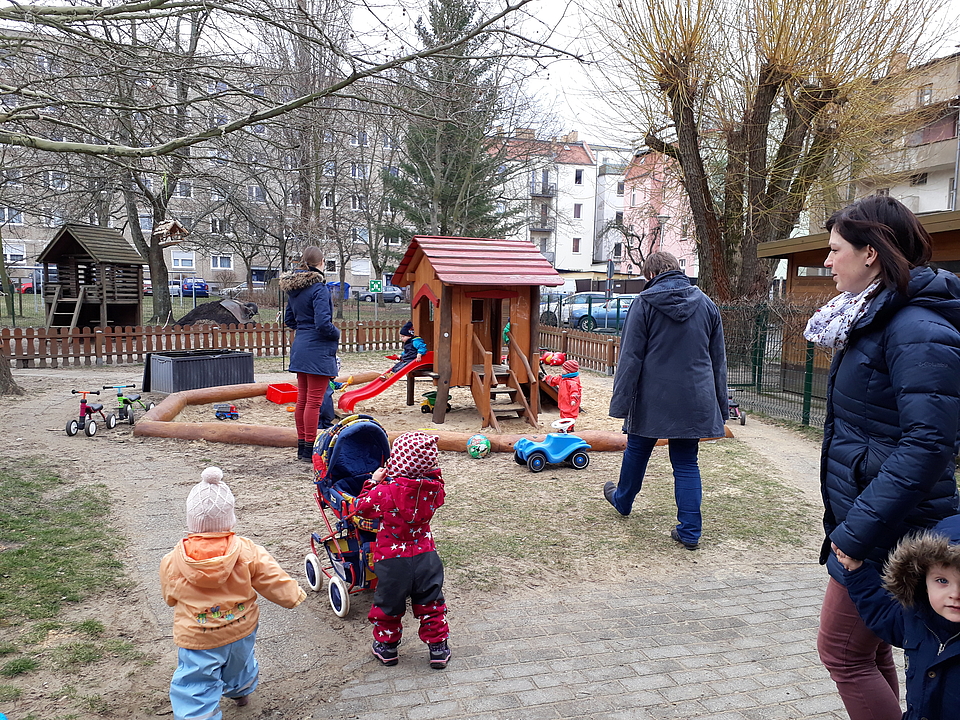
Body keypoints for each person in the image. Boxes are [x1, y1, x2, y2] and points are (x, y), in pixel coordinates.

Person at [804, 195, 960, 720]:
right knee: (867, 651)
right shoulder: (871, 316)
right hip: (870, 515)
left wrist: (855, 534)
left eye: (835, 249)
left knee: (842, 653)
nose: (827, 261)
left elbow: (928, 444)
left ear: (870, 253)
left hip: (889, 524)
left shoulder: (915, 327)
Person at [603, 251, 727, 551]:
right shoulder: (707, 304)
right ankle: (690, 531)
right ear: (675, 270)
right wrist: (721, 406)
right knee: (686, 462)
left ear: (650, 275)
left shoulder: (643, 303)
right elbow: (718, 360)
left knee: (637, 450)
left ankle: (623, 501)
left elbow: (630, 358)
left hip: (652, 397)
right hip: (694, 398)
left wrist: (620, 405)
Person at [160, 467, 306, 719]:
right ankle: (240, 691)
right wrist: (293, 595)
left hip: (198, 634)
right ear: (229, 518)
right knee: (240, 663)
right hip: (241, 626)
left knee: (197, 681)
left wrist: (174, 599)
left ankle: (197, 715)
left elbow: (170, 595)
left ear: (191, 520)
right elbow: (272, 577)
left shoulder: (173, 559)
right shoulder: (247, 550)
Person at [835, 514, 960, 720]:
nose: (955, 594)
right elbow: (883, 612)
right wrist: (856, 570)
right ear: (922, 580)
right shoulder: (918, 616)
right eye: (942, 580)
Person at [352, 431, 450, 669]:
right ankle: (438, 648)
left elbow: (360, 508)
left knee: (389, 604)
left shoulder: (385, 492)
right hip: (426, 557)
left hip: (392, 559)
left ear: (398, 459)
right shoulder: (433, 488)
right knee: (431, 603)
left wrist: (373, 482)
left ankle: (387, 647)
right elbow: (437, 481)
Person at [279, 247, 340, 462]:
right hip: (317, 349)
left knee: (303, 400)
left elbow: (289, 320)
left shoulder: (295, 289)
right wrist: (336, 333)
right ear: (321, 262)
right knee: (314, 402)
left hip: (301, 346)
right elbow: (323, 324)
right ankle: (311, 449)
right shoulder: (319, 289)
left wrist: (305, 331)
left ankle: (302, 448)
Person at [542, 358, 582, 429]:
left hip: (570, 403)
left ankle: (568, 428)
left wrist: (573, 400)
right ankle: (567, 427)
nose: (562, 371)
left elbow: (575, 392)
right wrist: (547, 378)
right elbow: (555, 380)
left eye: (564, 369)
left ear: (569, 371)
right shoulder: (563, 378)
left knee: (569, 416)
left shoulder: (572, 382)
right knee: (563, 415)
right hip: (564, 401)